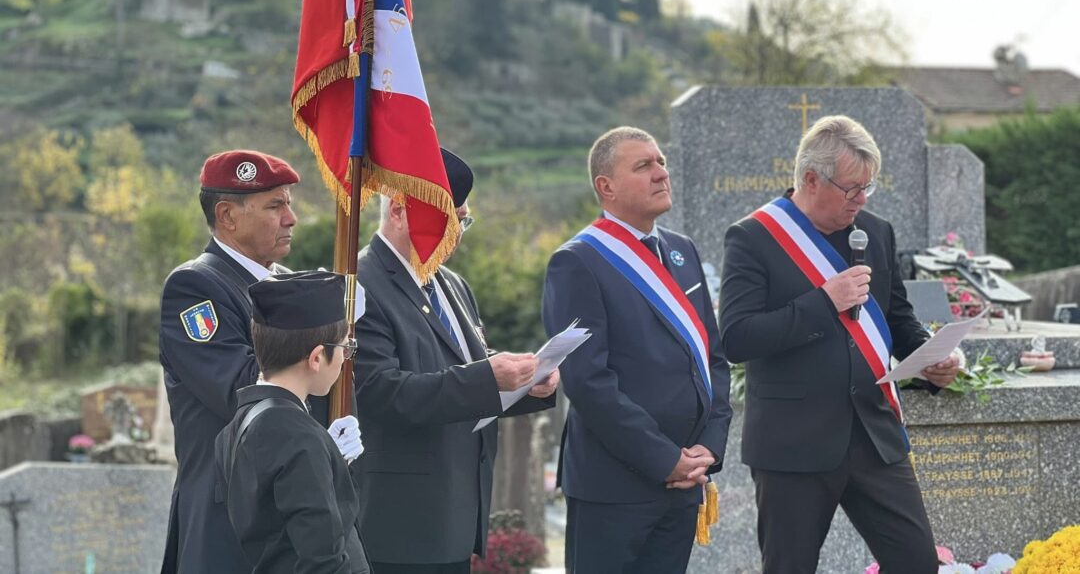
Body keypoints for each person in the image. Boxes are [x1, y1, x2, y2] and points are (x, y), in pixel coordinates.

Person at [719, 115, 961, 574]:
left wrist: (929, 357)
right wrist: (823, 302)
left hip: (873, 434)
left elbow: (896, 316)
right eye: (852, 189)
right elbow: (737, 338)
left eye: (868, 187)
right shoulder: (753, 237)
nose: (861, 199)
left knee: (917, 564)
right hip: (793, 443)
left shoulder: (876, 231)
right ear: (811, 180)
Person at [351, 148, 559, 574]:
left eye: (463, 220)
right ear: (398, 212)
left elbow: (465, 368)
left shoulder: (451, 284)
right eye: (447, 220)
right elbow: (380, 391)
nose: (457, 233)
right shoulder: (361, 285)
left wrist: (527, 382)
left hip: (456, 511)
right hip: (399, 523)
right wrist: (488, 377)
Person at [542, 126, 733, 574]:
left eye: (661, 162)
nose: (661, 173)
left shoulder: (682, 251)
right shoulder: (578, 261)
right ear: (605, 186)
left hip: (685, 478)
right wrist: (664, 459)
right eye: (643, 165)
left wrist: (709, 446)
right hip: (615, 486)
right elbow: (587, 381)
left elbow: (712, 358)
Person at [159, 150, 357, 573]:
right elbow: (244, 390)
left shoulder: (287, 285)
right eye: (274, 206)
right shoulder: (195, 286)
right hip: (229, 516)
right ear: (227, 216)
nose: (291, 218)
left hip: (293, 509)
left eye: (289, 204)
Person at [215, 270, 369, 573]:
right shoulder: (299, 437)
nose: (344, 359)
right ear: (316, 358)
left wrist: (328, 457)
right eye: (344, 348)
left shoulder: (239, 425)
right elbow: (322, 562)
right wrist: (319, 451)